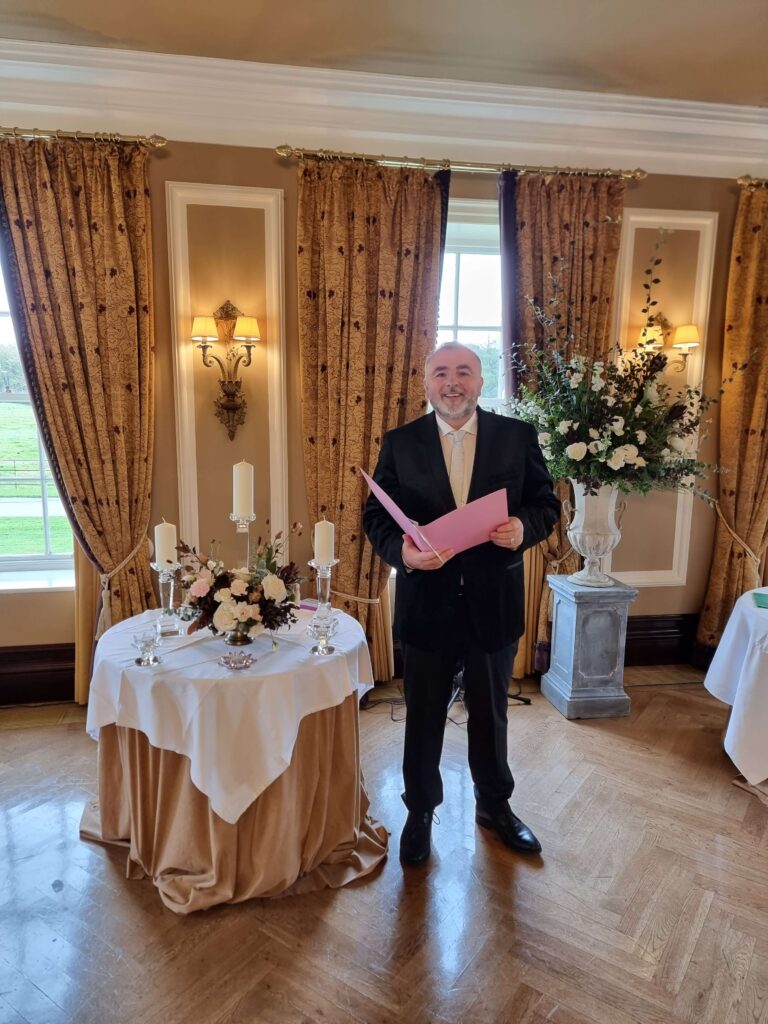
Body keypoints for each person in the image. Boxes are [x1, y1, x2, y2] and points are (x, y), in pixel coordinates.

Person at [363, 343, 560, 865]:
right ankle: (420, 812)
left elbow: (546, 504)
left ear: (480, 380)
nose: (453, 382)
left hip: (492, 603)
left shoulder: (515, 437)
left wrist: (523, 528)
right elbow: (377, 517)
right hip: (426, 603)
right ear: (426, 383)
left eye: (464, 372)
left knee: (491, 715)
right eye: (441, 373)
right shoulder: (400, 443)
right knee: (423, 715)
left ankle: (495, 807)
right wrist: (401, 552)